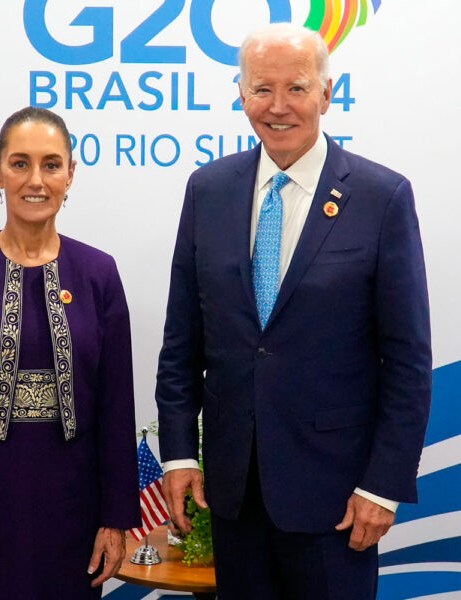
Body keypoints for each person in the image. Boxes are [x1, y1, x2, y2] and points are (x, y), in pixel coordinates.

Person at [155, 24, 432, 599]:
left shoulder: (382, 198)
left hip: (336, 499)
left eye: (296, 89)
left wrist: (382, 487)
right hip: (232, 493)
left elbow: (407, 360)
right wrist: (180, 452)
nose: (278, 107)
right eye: (262, 90)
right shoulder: (207, 190)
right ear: (240, 94)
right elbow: (182, 343)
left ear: (327, 94)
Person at [0, 107, 140, 598]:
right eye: (20, 163)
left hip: (72, 508)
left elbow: (116, 407)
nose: (36, 180)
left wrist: (116, 519)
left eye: (52, 165)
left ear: (71, 175)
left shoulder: (99, 273)